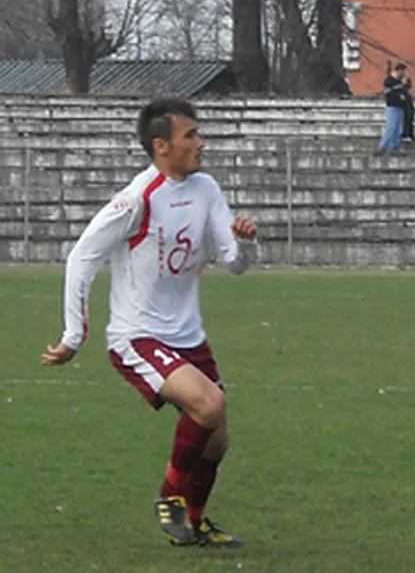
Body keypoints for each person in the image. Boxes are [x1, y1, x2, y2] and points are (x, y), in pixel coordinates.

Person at [40, 98, 258, 548]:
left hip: (189, 337)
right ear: (162, 146)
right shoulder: (137, 198)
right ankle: (169, 496)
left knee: (216, 442)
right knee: (209, 405)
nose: (201, 143)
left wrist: (244, 244)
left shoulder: (207, 190)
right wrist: (73, 335)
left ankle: (193, 524)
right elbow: (82, 257)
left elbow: (234, 264)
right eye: (191, 135)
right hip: (137, 336)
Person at [379, 63, 409, 152]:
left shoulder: (402, 81)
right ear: (398, 71)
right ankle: (383, 146)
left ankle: (394, 147)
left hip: (400, 107)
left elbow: (407, 91)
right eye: (402, 72)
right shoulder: (389, 81)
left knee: (399, 129)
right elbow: (390, 94)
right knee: (391, 128)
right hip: (392, 107)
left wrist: (404, 85)